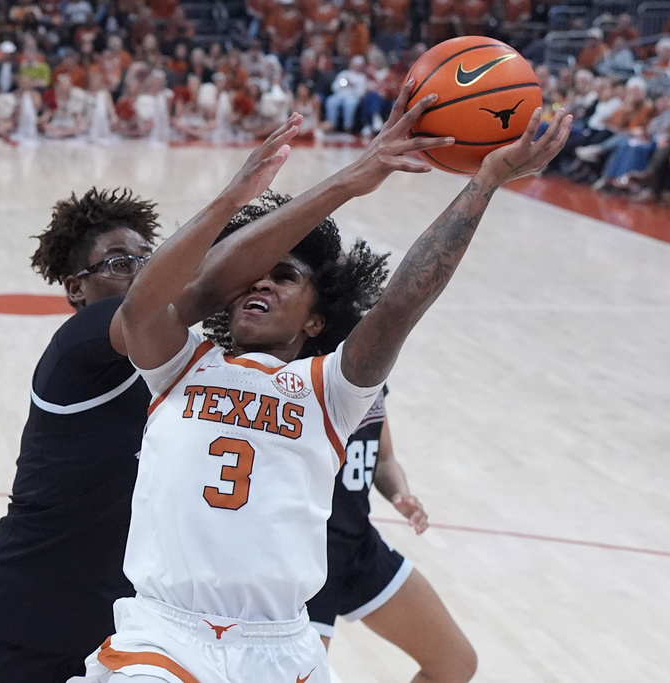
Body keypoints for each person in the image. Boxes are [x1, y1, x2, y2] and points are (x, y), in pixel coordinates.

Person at [77, 84, 572, 682]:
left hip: (281, 648)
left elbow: (401, 304)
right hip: (166, 636)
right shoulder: (181, 364)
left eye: (284, 277)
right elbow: (141, 305)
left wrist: (485, 181)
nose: (261, 284)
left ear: (317, 319)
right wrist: (236, 198)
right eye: (252, 279)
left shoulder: (329, 390)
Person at [0, 114, 386, 683]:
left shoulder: (190, 365)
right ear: (76, 287)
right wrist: (313, 189)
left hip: (118, 631)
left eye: (146, 259)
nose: (140, 272)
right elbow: (206, 285)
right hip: (21, 626)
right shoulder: (82, 346)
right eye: (118, 263)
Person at [307, 391, 477, 683]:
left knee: (455, 663)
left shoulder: (373, 372)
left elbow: (384, 459)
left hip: (358, 545)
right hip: (309, 552)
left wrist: (401, 493)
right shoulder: (300, 375)